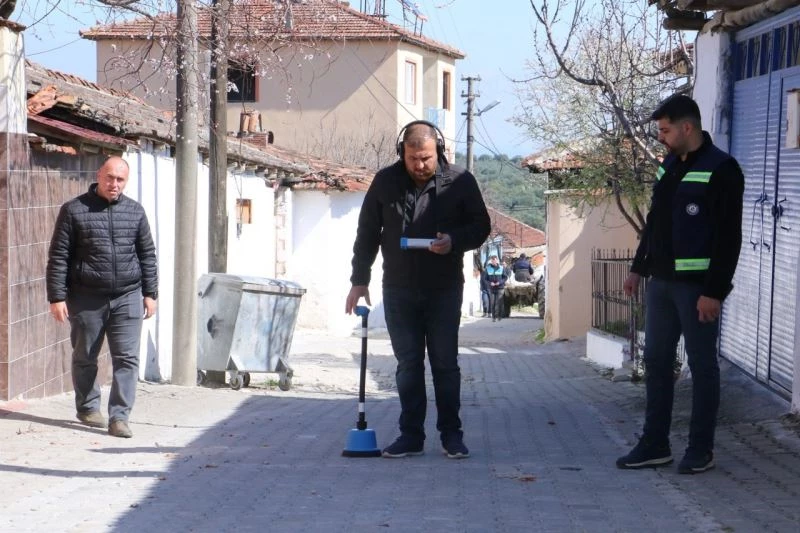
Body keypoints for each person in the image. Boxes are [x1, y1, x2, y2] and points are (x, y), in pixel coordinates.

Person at [345, 120, 491, 459]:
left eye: (425, 158)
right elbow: (367, 233)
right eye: (413, 158)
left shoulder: (460, 181)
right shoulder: (385, 182)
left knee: (445, 363)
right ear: (402, 153)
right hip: (398, 288)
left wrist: (454, 241)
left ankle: (451, 436)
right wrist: (359, 280)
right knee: (408, 363)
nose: (420, 165)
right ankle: (411, 436)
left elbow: (481, 226)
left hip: (444, 288)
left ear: (437, 150)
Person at [616, 95, 744, 474]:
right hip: (662, 284)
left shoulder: (723, 169)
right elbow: (655, 221)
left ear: (687, 127)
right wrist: (639, 268)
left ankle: (699, 449)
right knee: (655, 361)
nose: (661, 137)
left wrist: (714, 292)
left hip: (697, 290)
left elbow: (728, 238)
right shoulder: (669, 165)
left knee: (702, 367)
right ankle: (655, 444)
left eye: (665, 130)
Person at [46, 156, 159, 439]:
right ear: (99, 175)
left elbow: (147, 254)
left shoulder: (135, 212)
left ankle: (119, 417)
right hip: (86, 297)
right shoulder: (73, 210)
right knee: (85, 356)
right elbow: (59, 256)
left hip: (127, 295)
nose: (114, 184)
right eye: (110, 178)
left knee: (127, 358)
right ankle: (87, 406)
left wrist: (150, 293)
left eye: (120, 180)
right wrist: (56, 297)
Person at [484, 255, 507, 322]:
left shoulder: (501, 268)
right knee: (493, 303)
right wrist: (489, 283)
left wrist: (499, 282)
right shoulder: (488, 268)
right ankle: (493, 317)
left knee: (499, 302)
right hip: (491, 288)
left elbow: (505, 277)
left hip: (500, 287)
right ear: (491, 261)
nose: (494, 261)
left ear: (497, 260)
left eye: (495, 260)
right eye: (492, 260)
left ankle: (499, 316)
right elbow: (485, 279)